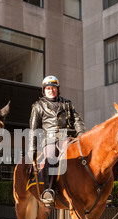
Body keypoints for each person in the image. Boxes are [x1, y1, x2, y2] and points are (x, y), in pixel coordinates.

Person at [28, 75, 86, 206]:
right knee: (51, 157)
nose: (51, 90)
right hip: (50, 140)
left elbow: (77, 120)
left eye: (53, 88)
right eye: (48, 88)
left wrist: (82, 134)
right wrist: (32, 149)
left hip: (69, 138)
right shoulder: (38, 106)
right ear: (44, 90)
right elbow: (33, 129)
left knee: (87, 156)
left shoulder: (67, 104)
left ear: (57, 89)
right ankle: (48, 191)